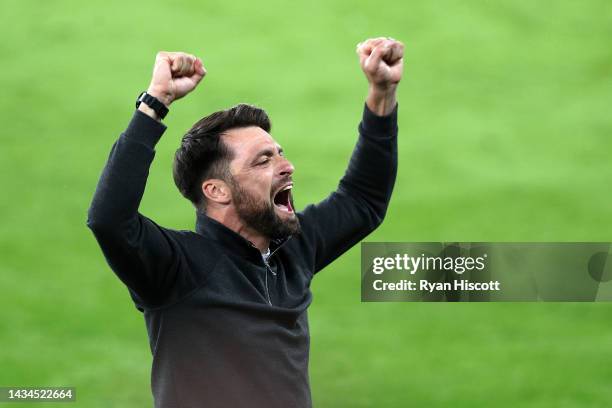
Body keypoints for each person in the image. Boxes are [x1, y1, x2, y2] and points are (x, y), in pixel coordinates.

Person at [87, 37, 403, 408]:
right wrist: (155, 103)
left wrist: (382, 93)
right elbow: (109, 220)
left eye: (280, 154)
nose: (287, 166)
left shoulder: (293, 249)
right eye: (263, 160)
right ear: (217, 190)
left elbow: (363, 200)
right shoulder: (177, 269)